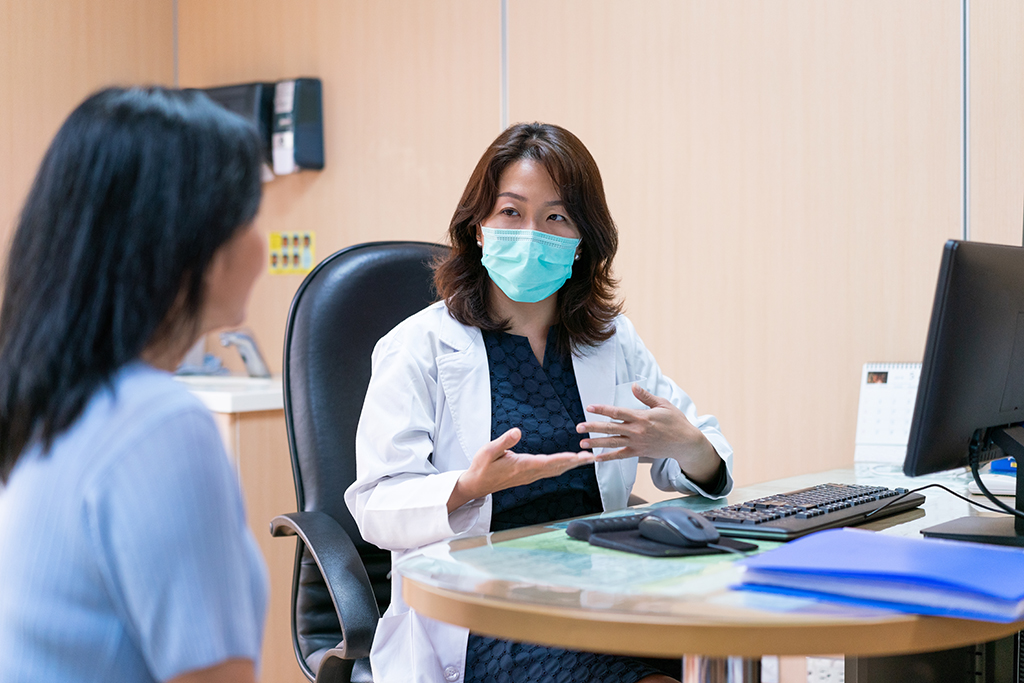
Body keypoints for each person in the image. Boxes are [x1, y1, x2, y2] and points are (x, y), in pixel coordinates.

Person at [345, 123, 734, 683]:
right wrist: (467, 487)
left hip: (605, 593)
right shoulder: (419, 346)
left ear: (582, 242)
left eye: (556, 217)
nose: (532, 233)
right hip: (487, 609)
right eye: (510, 212)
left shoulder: (612, 342)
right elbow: (375, 505)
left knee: (712, 654)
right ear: (478, 228)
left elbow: (702, 455)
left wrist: (689, 447)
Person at [0, 87, 268, 683]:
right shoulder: (160, 425)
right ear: (190, 241)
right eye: (251, 215)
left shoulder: (55, 403)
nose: (263, 243)